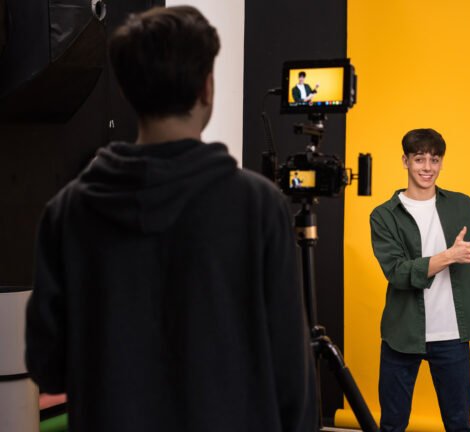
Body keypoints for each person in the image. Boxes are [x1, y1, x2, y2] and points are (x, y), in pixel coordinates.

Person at [25, 6, 316, 432]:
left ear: (126, 91)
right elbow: (292, 377)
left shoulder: (68, 212)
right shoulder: (258, 207)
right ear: (206, 89)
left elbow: (47, 366)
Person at [370, 128, 470, 432]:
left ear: (441, 162)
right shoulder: (384, 215)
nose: (427, 167)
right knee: (392, 424)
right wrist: (449, 256)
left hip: (451, 336)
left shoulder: (461, 205)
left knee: (458, 423)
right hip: (402, 334)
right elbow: (398, 273)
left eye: (434, 159)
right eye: (419, 159)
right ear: (405, 161)